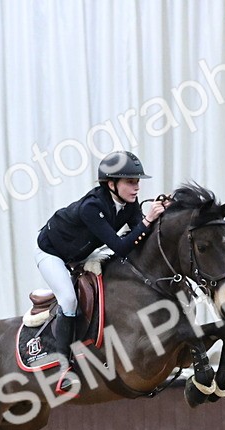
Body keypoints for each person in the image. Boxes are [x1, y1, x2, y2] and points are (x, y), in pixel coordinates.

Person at [35, 150, 167, 392]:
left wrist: (161, 215)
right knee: (68, 300)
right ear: (111, 184)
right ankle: (62, 366)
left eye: (137, 182)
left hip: (82, 253)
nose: (136, 188)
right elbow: (120, 246)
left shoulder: (128, 203)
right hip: (52, 253)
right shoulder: (91, 207)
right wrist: (148, 221)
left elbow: (139, 234)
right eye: (130, 182)